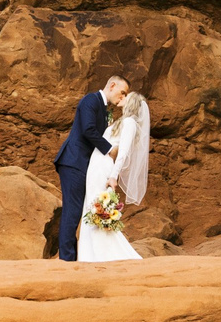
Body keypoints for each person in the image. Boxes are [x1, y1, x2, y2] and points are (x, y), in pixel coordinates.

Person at [53, 75, 128, 261]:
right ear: (112, 85)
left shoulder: (103, 109)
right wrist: (110, 150)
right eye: (122, 92)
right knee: (72, 211)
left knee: (76, 210)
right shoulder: (90, 100)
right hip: (73, 162)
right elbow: (88, 130)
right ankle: (66, 260)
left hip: (81, 164)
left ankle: (71, 257)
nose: (122, 97)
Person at [74, 86, 151, 263]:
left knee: (96, 209)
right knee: (90, 207)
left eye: (126, 95)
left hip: (104, 167)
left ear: (131, 102)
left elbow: (122, 153)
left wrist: (113, 176)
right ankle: (88, 255)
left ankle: (104, 256)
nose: (122, 97)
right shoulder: (122, 121)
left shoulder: (130, 123)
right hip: (96, 165)